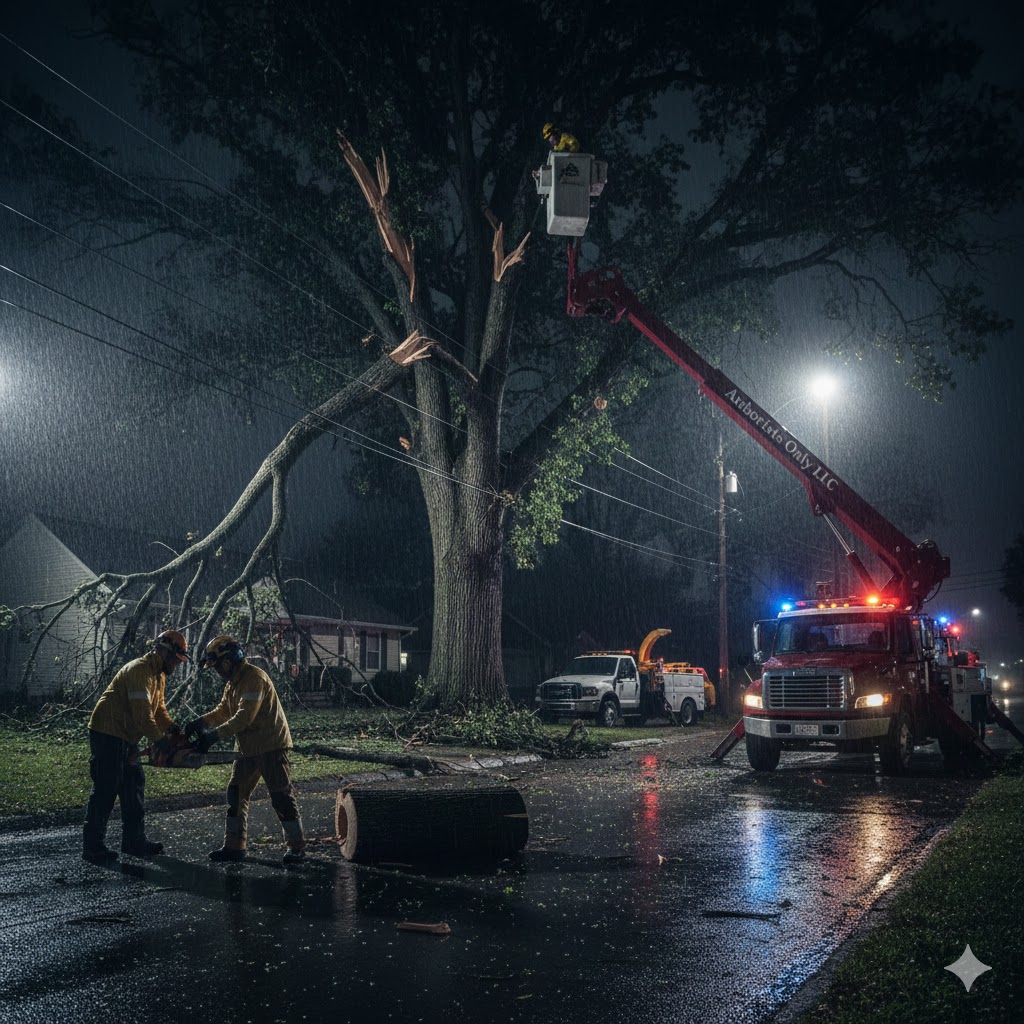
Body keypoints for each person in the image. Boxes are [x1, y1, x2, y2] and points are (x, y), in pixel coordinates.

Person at [187, 635, 306, 866]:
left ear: (229, 661)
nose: (218, 672)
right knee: (236, 794)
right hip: (247, 748)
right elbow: (224, 710)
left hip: (271, 744)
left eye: (219, 666)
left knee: (281, 795)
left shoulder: (254, 678)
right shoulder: (234, 683)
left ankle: (297, 847)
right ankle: (234, 846)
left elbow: (243, 717)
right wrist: (200, 723)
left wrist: (213, 736)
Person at [82, 629, 188, 864]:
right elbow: (143, 716)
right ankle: (92, 846)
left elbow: (158, 710)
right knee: (107, 787)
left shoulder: (158, 675)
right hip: (107, 731)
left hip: (127, 736)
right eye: (177, 661)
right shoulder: (139, 671)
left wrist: (172, 730)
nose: (178, 666)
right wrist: (161, 743)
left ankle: (133, 841)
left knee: (133, 783)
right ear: (166, 653)